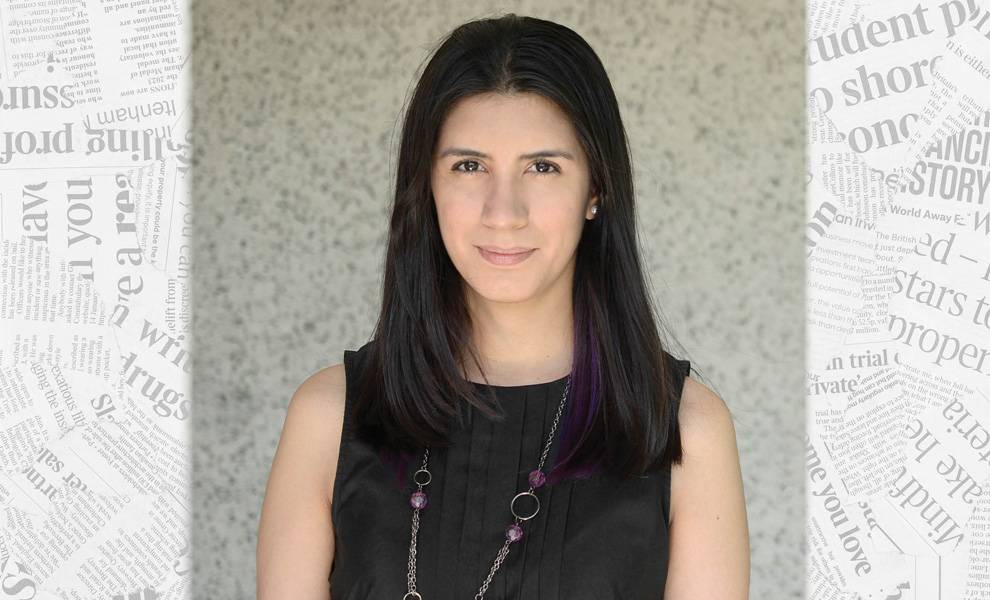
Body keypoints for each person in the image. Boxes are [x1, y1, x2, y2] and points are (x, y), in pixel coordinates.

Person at [257, 12, 749, 600]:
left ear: (596, 190)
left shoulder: (686, 432)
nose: (503, 211)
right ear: (427, 186)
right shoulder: (328, 416)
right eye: (469, 166)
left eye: (543, 167)